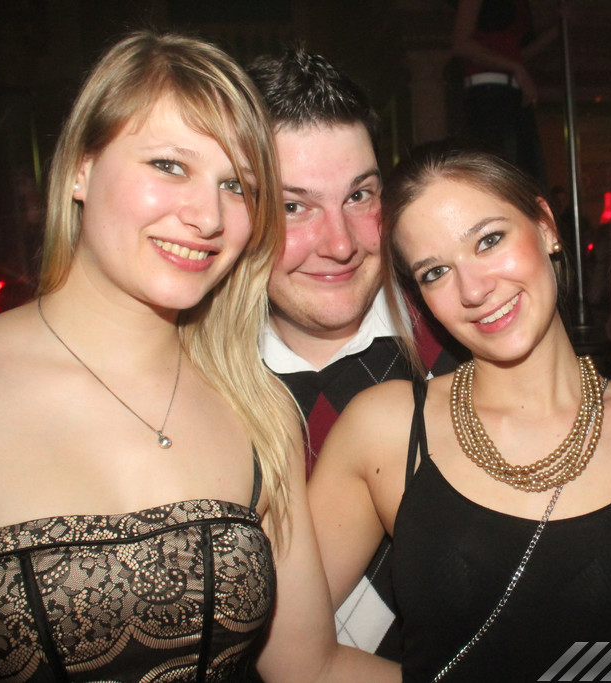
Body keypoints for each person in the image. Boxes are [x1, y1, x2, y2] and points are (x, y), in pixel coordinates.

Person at [0, 32, 396, 682]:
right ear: (82, 167)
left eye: (237, 185)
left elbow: (308, 668)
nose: (207, 216)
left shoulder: (257, 408)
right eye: (170, 166)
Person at [308, 142, 611, 681]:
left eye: (489, 240)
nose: (474, 289)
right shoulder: (384, 429)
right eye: (436, 272)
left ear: (546, 226)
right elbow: (294, 654)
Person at [245, 46, 462, 659]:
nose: (339, 244)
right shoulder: (185, 389)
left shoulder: (472, 351)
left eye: (360, 196)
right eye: (293, 206)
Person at [450, 0, 561, 188]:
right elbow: (461, 44)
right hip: (488, 94)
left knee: (526, 176)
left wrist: (557, 30)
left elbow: (518, 54)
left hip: (510, 93)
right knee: (503, 176)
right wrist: (515, 67)